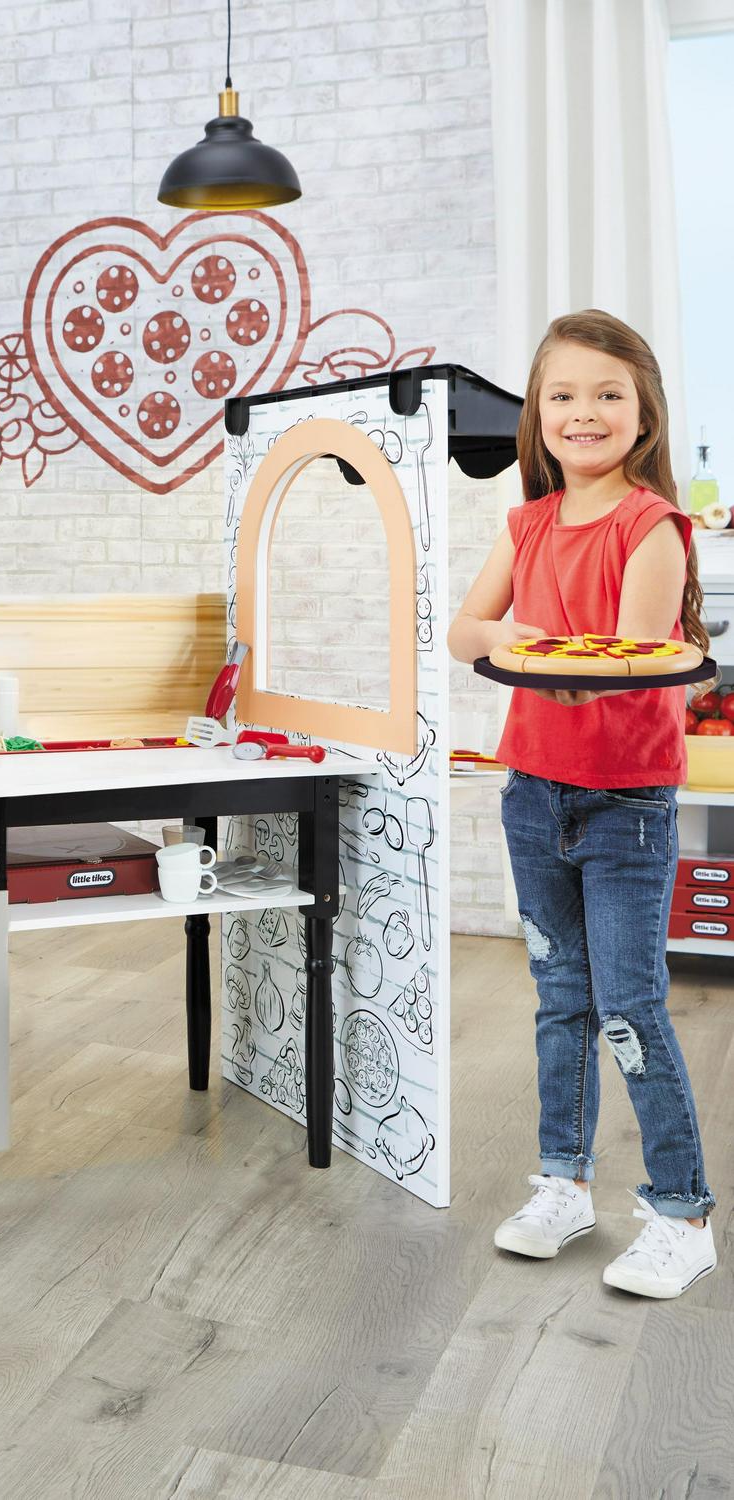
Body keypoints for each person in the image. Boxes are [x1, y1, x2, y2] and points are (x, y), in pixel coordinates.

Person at [448, 308, 716, 1299]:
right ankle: (562, 1184)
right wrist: (509, 644)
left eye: (607, 394)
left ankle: (682, 1214)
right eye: (561, 395)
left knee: (629, 1005)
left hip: (624, 806)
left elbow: (624, 661)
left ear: (643, 415)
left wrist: (542, 662)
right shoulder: (524, 524)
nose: (582, 412)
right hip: (532, 793)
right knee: (559, 999)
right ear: (536, 415)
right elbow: (464, 630)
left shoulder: (651, 528)